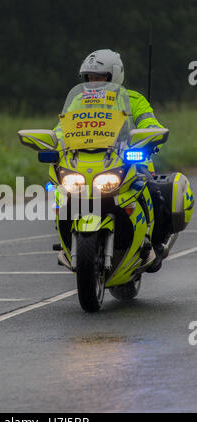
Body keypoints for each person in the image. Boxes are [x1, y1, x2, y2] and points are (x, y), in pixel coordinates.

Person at [55, 49, 167, 272]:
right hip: (86, 163)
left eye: (100, 77)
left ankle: (154, 245)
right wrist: (53, 144)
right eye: (90, 77)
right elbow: (60, 130)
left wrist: (150, 136)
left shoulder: (134, 100)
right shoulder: (78, 101)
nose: (94, 82)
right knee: (61, 195)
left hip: (128, 162)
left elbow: (150, 123)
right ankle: (68, 242)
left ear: (114, 76)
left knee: (154, 191)